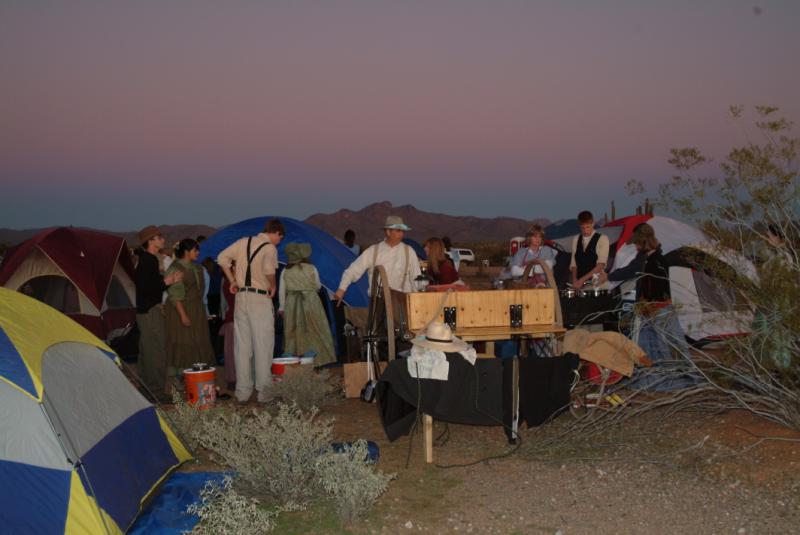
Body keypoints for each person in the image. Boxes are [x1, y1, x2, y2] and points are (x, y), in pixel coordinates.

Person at [600, 223, 697, 390]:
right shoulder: (643, 258)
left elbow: (658, 288)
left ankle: (680, 380)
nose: (635, 246)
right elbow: (631, 271)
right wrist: (610, 277)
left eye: (637, 243)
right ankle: (652, 379)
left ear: (643, 241)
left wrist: (650, 305)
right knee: (647, 347)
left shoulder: (657, 260)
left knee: (668, 347)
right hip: (647, 310)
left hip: (660, 310)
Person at [217, 219, 285, 403]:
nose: (279, 241)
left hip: (241, 298)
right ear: (276, 233)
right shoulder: (269, 248)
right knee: (263, 345)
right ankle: (264, 393)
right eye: (280, 238)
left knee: (242, 347)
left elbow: (221, 258)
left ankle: (242, 392)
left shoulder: (242, 242)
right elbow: (269, 271)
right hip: (260, 298)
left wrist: (232, 280)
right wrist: (273, 285)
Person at [134, 225, 183, 398]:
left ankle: (147, 388)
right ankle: (156, 392)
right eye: (159, 237)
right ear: (150, 241)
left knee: (147, 350)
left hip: (146, 311)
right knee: (156, 351)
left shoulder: (147, 259)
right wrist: (167, 281)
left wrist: (166, 281)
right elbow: (146, 288)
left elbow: (147, 285)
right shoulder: (149, 260)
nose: (163, 239)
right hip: (150, 311)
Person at [335, 216, 421, 303]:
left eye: (403, 231)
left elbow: (416, 278)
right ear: (388, 232)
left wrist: (419, 301)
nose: (401, 234)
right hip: (377, 303)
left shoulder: (409, 252)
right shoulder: (373, 251)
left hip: (401, 302)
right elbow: (353, 270)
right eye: (398, 231)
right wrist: (342, 289)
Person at [278, 242, 336, 367]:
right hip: (311, 302)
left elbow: (282, 290)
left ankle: (294, 361)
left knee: (293, 331)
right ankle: (315, 359)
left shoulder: (285, 271)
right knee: (314, 330)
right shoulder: (312, 268)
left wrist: (282, 307)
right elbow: (318, 286)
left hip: (292, 304)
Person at [164, 239, 215, 379]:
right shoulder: (176, 269)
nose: (198, 253)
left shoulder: (197, 267)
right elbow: (175, 295)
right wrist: (183, 315)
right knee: (184, 340)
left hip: (196, 309)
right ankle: (181, 377)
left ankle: (198, 373)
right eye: (195, 250)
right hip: (181, 309)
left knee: (198, 339)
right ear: (186, 252)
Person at [570, 210, 610, 288]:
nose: (585, 231)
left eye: (588, 227)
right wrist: (574, 279)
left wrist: (582, 280)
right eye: (582, 228)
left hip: (597, 281)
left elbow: (601, 265)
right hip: (579, 282)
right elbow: (574, 263)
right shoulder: (576, 239)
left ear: (593, 223)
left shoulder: (602, 239)